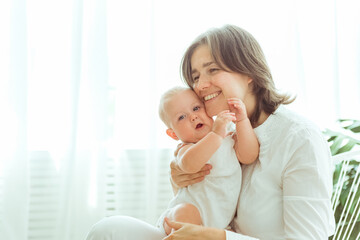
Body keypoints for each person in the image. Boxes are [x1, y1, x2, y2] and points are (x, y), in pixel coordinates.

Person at [85, 24, 335, 240]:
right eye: (195, 76)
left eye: (213, 70)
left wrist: (218, 237)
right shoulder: (216, 130)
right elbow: (204, 197)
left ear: (248, 72)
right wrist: (181, 178)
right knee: (110, 229)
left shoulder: (300, 138)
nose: (200, 85)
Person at [156, 86, 258, 235]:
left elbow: (249, 156)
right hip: (181, 217)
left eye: (196, 108)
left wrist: (242, 120)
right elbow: (189, 165)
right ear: (173, 134)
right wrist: (216, 134)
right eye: (181, 117)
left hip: (216, 225)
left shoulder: (228, 137)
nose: (193, 117)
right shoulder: (187, 148)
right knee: (186, 212)